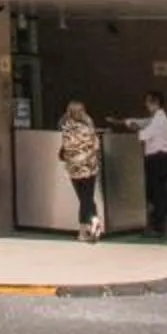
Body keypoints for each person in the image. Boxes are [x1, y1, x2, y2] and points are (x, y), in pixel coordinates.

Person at [132, 87, 167, 239]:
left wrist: (135, 128)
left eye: (148, 101)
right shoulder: (158, 118)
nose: (146, 105)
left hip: (157, 159)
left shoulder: (158, 120)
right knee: (159, 194)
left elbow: (144, 136)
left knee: (157, 194)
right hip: (160, 159)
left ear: (155, 102)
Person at [57, 98, 104, 241]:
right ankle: (90, 224)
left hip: (73, 169)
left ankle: (88, 228)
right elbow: (96, 145)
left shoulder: (66, 128)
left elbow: (65, 149)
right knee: (87, 198)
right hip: (88, 168)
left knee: (84, 198)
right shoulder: (87, 128)